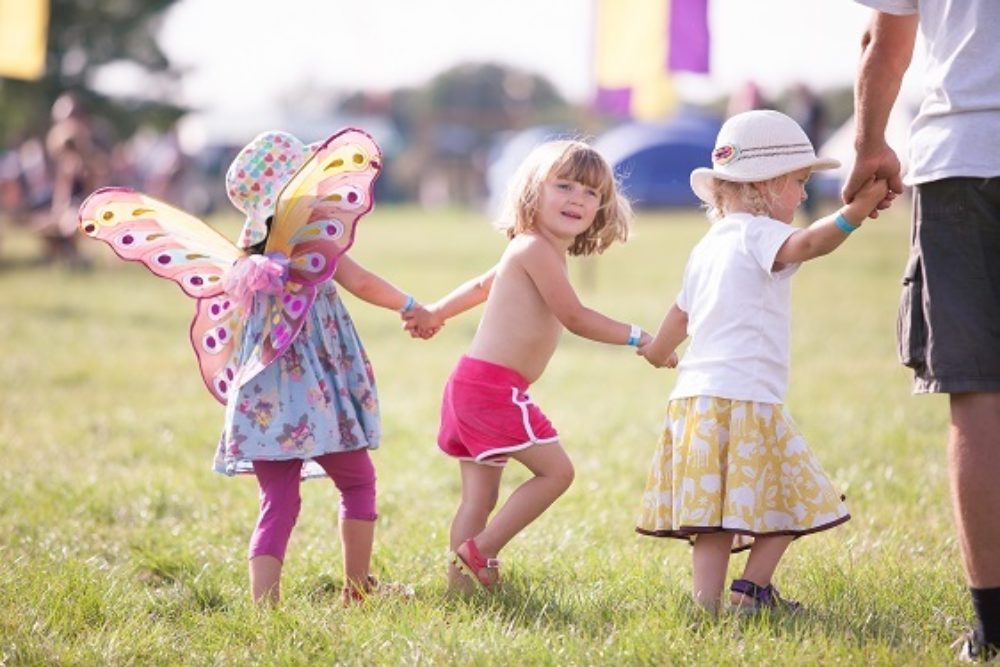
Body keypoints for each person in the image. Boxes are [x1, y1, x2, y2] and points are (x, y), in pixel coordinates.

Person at [634, 110, 888, 613]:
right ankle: (751, 591)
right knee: (797, 497)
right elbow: (811, 243)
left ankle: (706, 607)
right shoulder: (757, 233)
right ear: (765, 185)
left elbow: (680, 311)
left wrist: (660, 350)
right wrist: (854, 213)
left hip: (693, 401)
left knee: (711, 515)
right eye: (798, 182)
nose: (800, 195)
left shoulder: (707, 245)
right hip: (747, 396)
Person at [403, 139, 649, 593]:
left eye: (591, 192)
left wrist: (437, 311)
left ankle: (464, 588)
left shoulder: (531, 249)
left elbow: (482, 285)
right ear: (533, 192)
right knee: (557, 473)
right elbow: (575, 317)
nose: (578, 198)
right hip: (493, 389)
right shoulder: (535, 249)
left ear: (602, 207)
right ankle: (482, 552)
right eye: (565, 185)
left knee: (479, 497)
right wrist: (639, 337)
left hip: (473, 384)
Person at [844, 3, 1000, 660]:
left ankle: (995, 625)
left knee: (979, 391)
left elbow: (888, 37)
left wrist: (868, 142)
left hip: (962, 155)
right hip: (957, 157)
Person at [214, 132, 425, 605]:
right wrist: (411, 304)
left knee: (278, 503)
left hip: (262, 401)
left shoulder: (246, 253)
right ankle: (357, 590)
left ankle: (264, 610)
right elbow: (363, 282)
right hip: (316, 400)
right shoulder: (312, 242)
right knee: (357, 481)